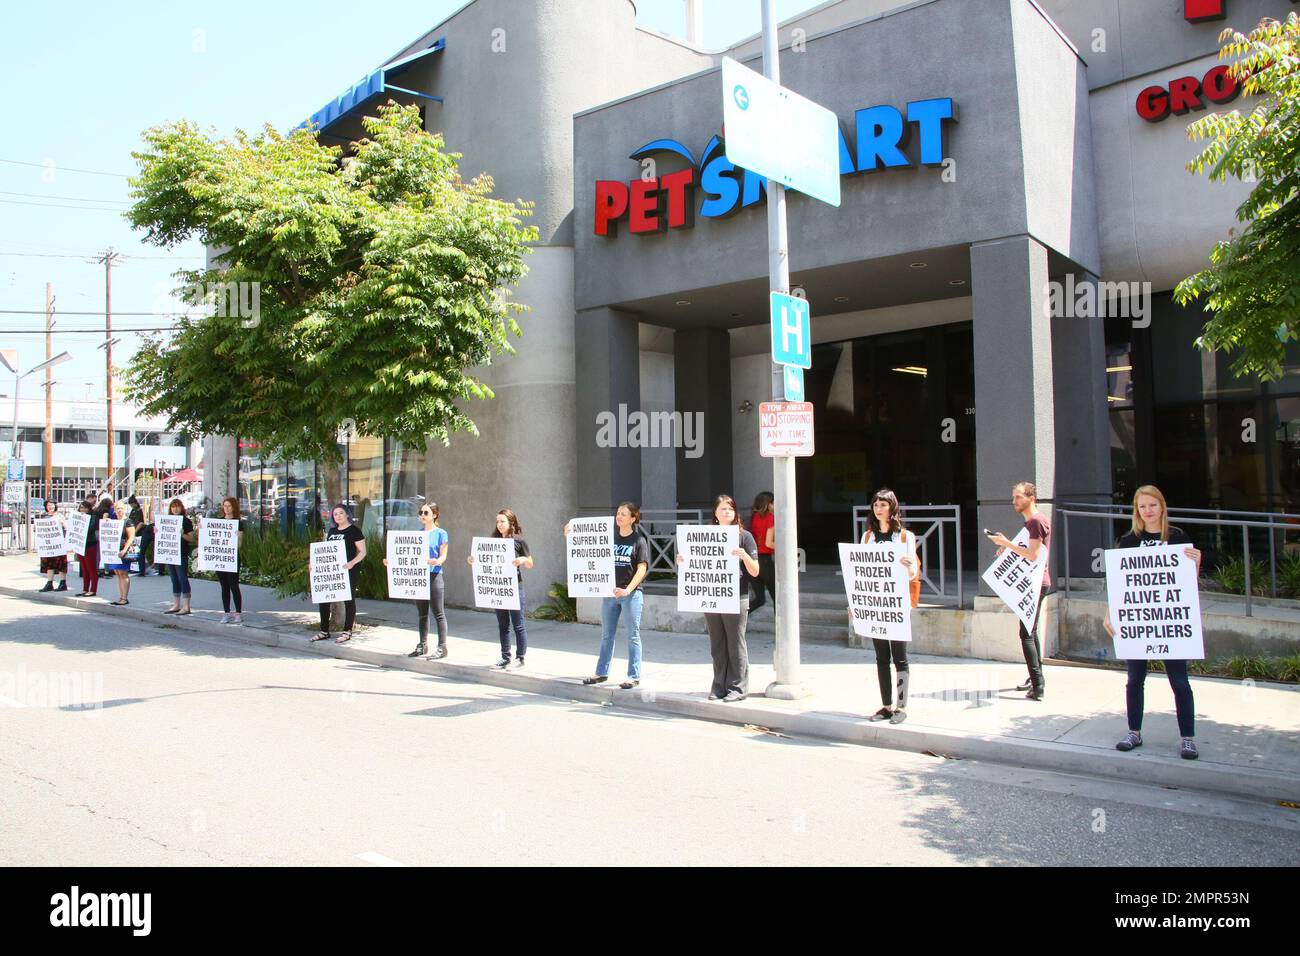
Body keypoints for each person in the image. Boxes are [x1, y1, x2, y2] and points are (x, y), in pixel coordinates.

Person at [1103, 485, 1203, 760]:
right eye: (1142, 506)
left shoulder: (1178, 537)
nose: (1147, 511)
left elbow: (1186, 584)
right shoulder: (1128, 540)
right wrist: (1110, 612)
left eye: (1152, 505)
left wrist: (1197, 562)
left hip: (1169, 622)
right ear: (1137, 510)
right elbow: (1119, 584)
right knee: (1135, 679)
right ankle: (1134, 731)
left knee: (1180, 682)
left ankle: (1187, 738)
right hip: (1138, 623)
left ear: (1162, 506)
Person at [678, 494, 760, 702]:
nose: (727, 512)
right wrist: (683, 560)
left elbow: (756, 570)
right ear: (715, 513)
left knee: (735, 642)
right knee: (717, 643)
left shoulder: (745, 536)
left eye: (730, 509)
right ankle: (719, 686)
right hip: (712, 596)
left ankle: (738, 687)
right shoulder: (705, 536)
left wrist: (744, 555)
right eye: (723, 509)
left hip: (736, 597)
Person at [987, 481, 1051, 701]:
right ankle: (1036, 678)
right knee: (1031, 632)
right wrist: (1007, 546)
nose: (1014, 501)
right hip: (1035, 582)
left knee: (1026, 634)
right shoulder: (1032, 522)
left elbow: (1032, 554)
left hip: (1036, 583)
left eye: (1018, 497)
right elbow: (1028, 550)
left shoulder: (1035, 522)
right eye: (1013, 497)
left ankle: (1038, 684)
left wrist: (1006, 543)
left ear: (1031, 498)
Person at [861, 489, 919, 724]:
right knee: (881, 657)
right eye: (875, 504)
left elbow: (913, 571)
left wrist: (908, 566)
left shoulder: (905, 537)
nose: (878, 508)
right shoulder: (867, 537)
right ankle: (886, 705)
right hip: (876, 604)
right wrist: (858, 602)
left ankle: (901, 706)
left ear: (892, 508)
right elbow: (862, 571)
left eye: (883, 504)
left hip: (896, 604)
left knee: (900, 657)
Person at [578, 502, 650, 689]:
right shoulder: (610, 539)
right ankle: (601, 673)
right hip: (610, 594)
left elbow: (642, 568)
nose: (619, 517)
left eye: (624, 514)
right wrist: (572, 532)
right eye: (618, 513)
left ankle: (633, 676)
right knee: (606, 635)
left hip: (631, 595)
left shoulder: (639, 541)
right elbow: (587, 548)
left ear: (633, 518)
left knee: (632, 635)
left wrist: (628, 589)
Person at [467, 509, 532, 669]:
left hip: (515, 587)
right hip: (498, 587)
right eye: (497, 521)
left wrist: (522, 559)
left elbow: (530, 563)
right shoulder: (493, 542)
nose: (499, 524)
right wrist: (473, 559)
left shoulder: (519, 541)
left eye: (502, 521)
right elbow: (483, 560)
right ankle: (505, 656)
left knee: (518, 624)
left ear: (511, 523)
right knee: (503, 624)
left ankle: (520, 657)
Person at [383, 502, 450, 659]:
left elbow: (443, 555)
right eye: (420, 512)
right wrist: (391, 561)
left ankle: (442, 646)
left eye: (426, 513)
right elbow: (407, 557)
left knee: (438, 613)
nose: (422, 515)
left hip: (434, 575)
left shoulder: (441, 533)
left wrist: (437, 561)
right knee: (422, 614)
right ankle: (422, 644)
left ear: (434, 515)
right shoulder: (417, 534)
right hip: (418, 576)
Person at [313, 503, 367, 644]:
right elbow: (326, 551)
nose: (338, 516)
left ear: (347, 514)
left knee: (349, 600)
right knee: (324, 599)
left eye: (341, 513)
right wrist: (315, 565)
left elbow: (363, 552)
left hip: (348, 570)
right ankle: (324, 631)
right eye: (335, 514)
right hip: (332, 572)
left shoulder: (354, 531)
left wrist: (352, 563)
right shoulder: (332, 532)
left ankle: (347, 631)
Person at [207, 497, 244, 624]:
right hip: (220, 558)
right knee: (224, 586)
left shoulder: (238, 522)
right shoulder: (219, 521)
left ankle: (238, 613)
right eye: (225, 506)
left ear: (234, 507)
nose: (226, 508)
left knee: (234, 585)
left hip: (232, 558)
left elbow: (239, 545)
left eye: (229, 506)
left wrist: (238, 537)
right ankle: (226, 612)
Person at [161, 498, 195, 616]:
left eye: (178, 506)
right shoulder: (167, 520)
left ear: (181, 508)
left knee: (182, 578)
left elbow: (191, 538)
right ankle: (176, 604)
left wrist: (182, 535)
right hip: (170, 553)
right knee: (174, 579)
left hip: (181, 553)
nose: (175, 509)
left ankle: (186, 606)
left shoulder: (186, 521)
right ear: (170, 509)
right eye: (173, 507)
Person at [747, 492, 776, 613]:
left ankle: (736, 619)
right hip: (764, 560)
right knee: (778, 597)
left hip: (750, 560)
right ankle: (781, 631)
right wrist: (787, 549)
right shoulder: (770, 517)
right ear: (768, 505)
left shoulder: (754, 517)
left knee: (760, 599)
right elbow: (768, 543)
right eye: (774, 503)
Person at [105, 500, 135, 606]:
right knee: (118, 573)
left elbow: (131, 537)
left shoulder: (128, 521)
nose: (120, 510)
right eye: (117, 508)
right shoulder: (114, 521)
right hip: (114, 551)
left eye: (121, 508)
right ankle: (121, 596)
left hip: (123, 551)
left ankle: (124, 598)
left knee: (123, 573)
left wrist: (124, 550)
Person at [37, 499, 69, 592]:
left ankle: (63, 583)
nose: (50, 507)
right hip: (48, 545)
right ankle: (49, 583)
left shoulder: (59, 516)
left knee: (60, 564)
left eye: (52, 505)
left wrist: (63, 523)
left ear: (55, 506)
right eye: (48, 505)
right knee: (49, 564)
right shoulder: (44, 517)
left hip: (59, 544)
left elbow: (66, 527)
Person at [73, 500, 99, 597]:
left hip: (90, 545)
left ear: (89, 509)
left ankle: (93, 590)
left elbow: (90, 529)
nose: (83, 509)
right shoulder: (77, 517)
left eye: (85, 508)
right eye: (81, 507)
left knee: (91, 568)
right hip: (80, 545)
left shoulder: (92, 518)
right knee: (84, 569)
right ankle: (85, 589)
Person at [128, 495, 154, 577]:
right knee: (133, 552)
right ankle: (134, 568)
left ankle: (140, 569)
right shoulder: (133, 511)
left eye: (132, 504)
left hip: (139, 533)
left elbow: (141, 523)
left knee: (139, 552)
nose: (131, 506)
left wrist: (134, 532)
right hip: (133, 532)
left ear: (135, 503)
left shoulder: (139, 510)